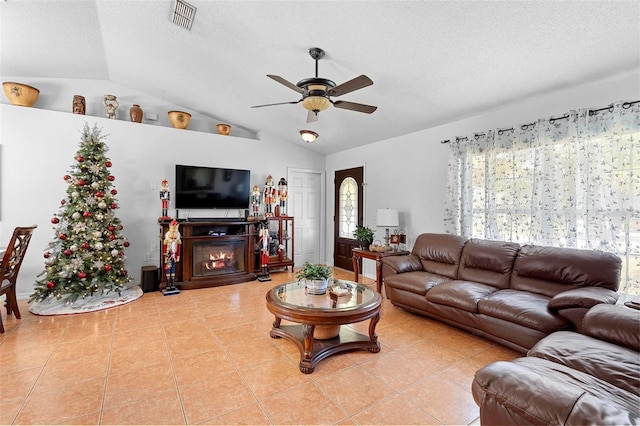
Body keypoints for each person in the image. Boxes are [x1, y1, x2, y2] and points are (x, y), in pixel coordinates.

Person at [163, 219, 181, 293]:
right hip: (168, 257)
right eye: (172, 238)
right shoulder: (166, 241)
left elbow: (179, 250)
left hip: (174, 257)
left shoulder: (178, 242)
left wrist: (178, 256)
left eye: (174, 238)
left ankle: (173, 284)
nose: (173, 239)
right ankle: (167, 284)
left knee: (173, 269)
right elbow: (164, 249)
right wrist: (165, 257)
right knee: (168, 269)